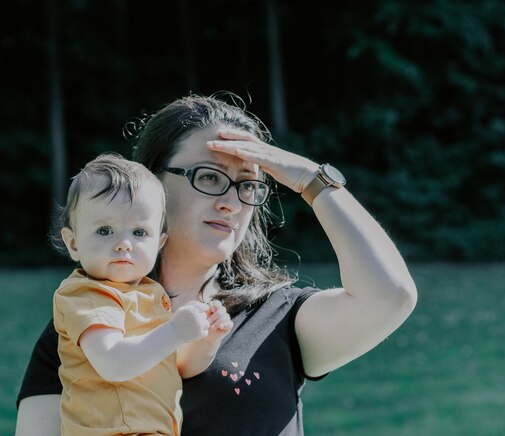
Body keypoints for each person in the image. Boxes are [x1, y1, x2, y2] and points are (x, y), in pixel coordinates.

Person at [15, 93, 418, 436]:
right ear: (152, 184)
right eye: (209, 177)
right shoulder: (84, 321)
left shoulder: (278, 318)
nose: (231, 201)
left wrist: (312, 180)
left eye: (248, 184)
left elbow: (392, 295)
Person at [48, 153, 233, 435]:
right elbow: (114, 364)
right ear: (73, 243)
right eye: (105, 230)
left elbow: (177, 366)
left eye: (139, 232)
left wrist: (205, 340)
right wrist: (176, 331)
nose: (124, 244)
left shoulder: (149, 293)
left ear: (159, 243)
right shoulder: (85, 294)